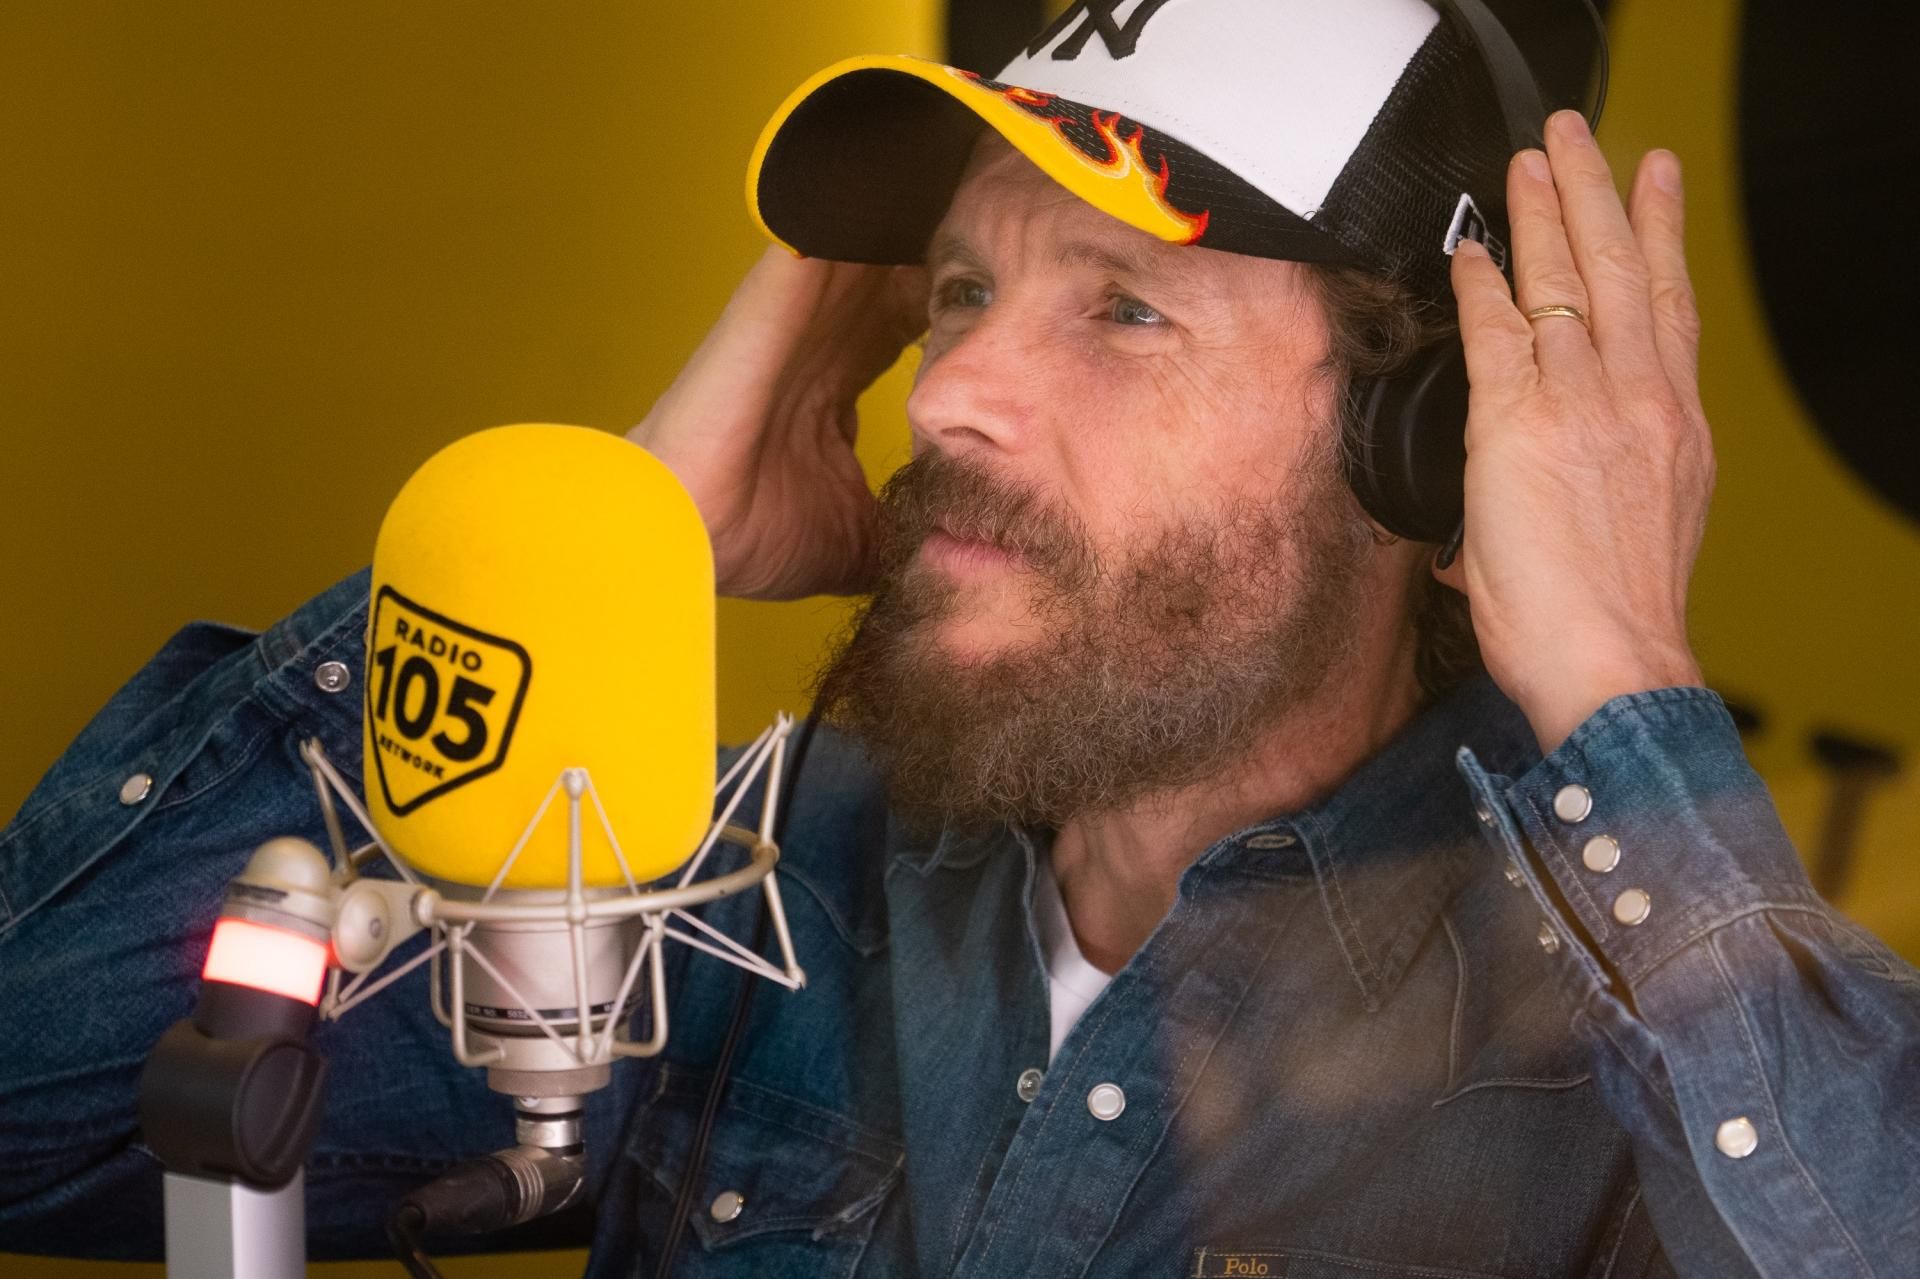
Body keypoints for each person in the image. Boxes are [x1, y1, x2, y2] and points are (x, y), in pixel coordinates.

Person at [3, 0, 1915, 1275]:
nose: (941, 397)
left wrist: (1624, 698)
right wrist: (608, 556)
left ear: (1434, 447)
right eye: (959, 291)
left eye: (1124, 309)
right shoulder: (754, 887)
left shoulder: (1652, 1035)